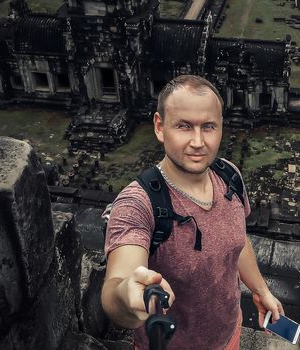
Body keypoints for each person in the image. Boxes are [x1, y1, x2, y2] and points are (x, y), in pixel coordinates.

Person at [101, 75, 284, 349]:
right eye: (184, 126)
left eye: (208, 127)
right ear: (160, 127)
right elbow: (118, 283)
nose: (198, 142)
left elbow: (237, 240)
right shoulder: (138, 204)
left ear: (221, 127)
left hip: (228, 334)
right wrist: (127, 297)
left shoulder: (229, 176)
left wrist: (261, 290)